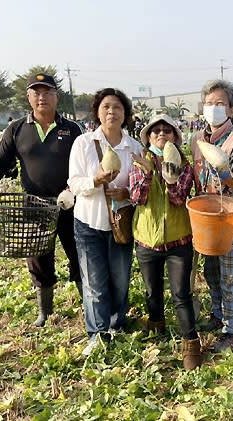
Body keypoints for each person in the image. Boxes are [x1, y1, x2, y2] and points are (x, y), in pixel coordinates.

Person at [0, 73, 83, 327]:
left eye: (47, 92)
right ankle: (45, 312)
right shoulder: (17, 129)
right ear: (29, 97)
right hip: (34, 208)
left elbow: (84, 165)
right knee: (39, 259)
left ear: (56, 97)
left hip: (69, 204)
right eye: (36, 92)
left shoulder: (72, 129)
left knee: (79, 255)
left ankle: (89, 306)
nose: (42, 97)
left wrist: (70, 190)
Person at [68, 88, 143, 356]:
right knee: (94, 283)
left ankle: (116, 323)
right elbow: (74, 183)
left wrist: (127, 194)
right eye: (106, 107)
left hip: (121, 224)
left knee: (120, 280)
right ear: (97, 112)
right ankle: (97, 334)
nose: (111, 112)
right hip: (88, 223)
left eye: (117, 108)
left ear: (125, 114)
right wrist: (95, 181)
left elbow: (143, 187)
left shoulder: (134, 148)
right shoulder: (84, 143)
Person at [129, 114, 202, 370]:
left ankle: (191, 342)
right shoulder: (139, 162)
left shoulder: (183, 164)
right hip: (147, 240)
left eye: (167, 131)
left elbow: (179, 198)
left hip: (178, 239)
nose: (161, 134)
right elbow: (137, 198)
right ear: (148, 137)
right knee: (152, 291)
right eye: (156, 131)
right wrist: (149, 175)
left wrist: (169, 178)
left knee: (181, 293)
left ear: (175, 136)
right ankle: (156, 326)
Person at [190, 79, 233, 353]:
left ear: (231, 108)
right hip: (206, 218)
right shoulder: (198, 141)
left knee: (232, 276)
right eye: (209, 103)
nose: (213, 108)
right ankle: (217, 313)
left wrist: (227, 175)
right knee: (211, 271)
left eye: (220, 104)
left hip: (232, 219)